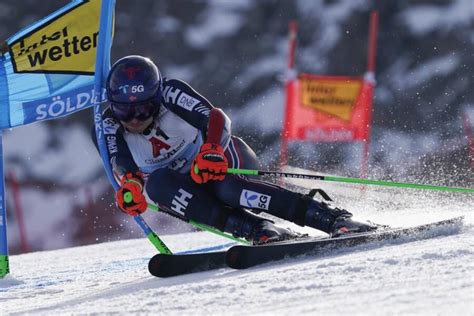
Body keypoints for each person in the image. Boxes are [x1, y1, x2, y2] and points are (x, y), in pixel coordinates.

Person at [92, 55, 378, 245]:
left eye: (143, 109)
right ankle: (257, 230)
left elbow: (215, 117)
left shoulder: (170, 92)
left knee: (230, 190)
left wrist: (212, 150)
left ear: (155, 97)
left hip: (218, 160)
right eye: (124, 111)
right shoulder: (106, 125)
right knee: (158, 185)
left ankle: (331, 218)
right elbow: (121, 164)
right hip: (185, 183)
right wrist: (129, 187)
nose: (135, 120)